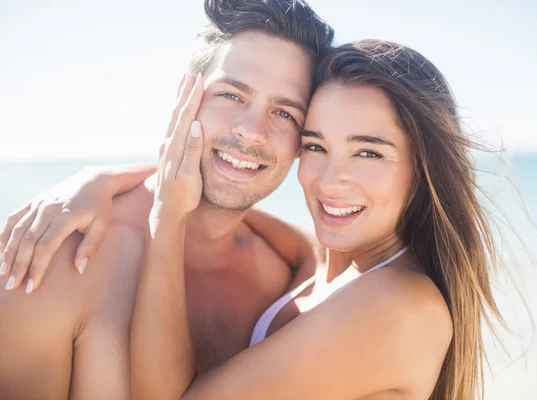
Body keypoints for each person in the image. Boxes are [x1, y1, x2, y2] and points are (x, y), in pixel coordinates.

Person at [1, 39, 507, 400]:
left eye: (368, 153)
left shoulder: (399, 304)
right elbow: (229, 213)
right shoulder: (319, 262)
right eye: (315, 145)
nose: (331, 181)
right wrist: (100, 180)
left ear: (424, 170)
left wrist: (167, 216)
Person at [0, 1, 334, 398]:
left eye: (284, 114)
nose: (252, 131)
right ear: (185, 97)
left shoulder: (290, 276)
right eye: (231, 95)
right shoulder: (50, 258)